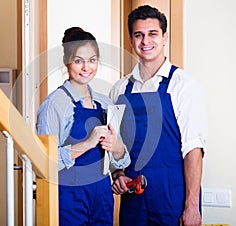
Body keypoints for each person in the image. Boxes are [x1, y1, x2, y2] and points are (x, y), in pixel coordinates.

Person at [110, 5, 208, 226]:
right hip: (134, 198)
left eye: (152, 34)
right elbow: (115, 145)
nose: (146, 41)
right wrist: (118, 175)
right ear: (130, 40)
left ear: (164, 38)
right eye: (139, 35)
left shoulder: (184, 86)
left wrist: (191, 206)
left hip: (173, 198)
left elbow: (194, 149)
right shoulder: (119, 90)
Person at [36, 27, 131, 226]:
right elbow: (45, 163)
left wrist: (117, 148)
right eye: (78, 60)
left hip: (102, 196)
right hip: (68, 199)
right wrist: (87, 143)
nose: (86, 67)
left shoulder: (105, 103)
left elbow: (120, 161)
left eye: (92, 60)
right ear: (66, 61)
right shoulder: (54, 105)